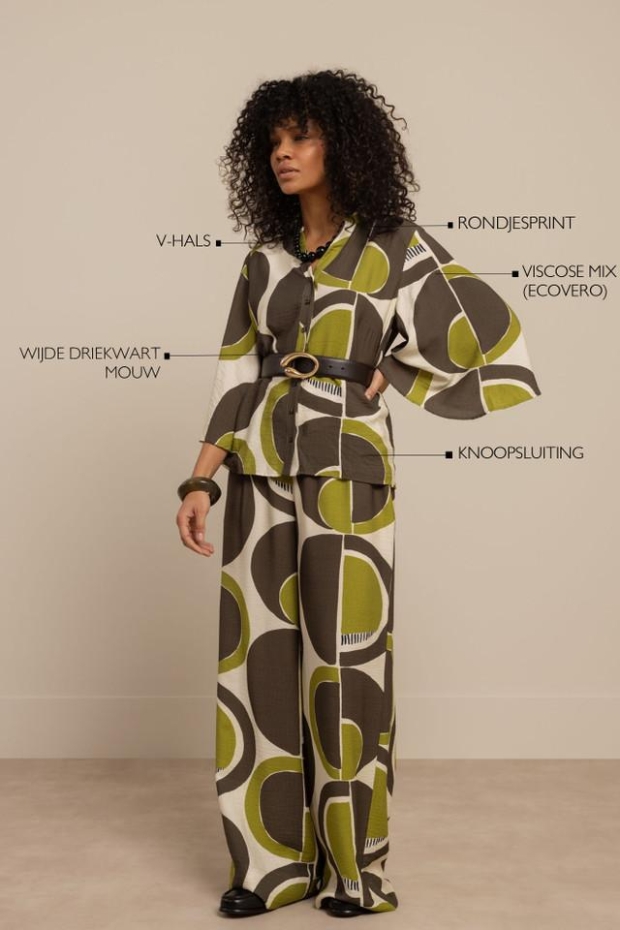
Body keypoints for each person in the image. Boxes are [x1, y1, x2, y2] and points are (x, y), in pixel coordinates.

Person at [176, 68, 541, 919]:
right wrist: (200, 478)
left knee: (346, 668)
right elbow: (235, 373)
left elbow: (491, 337)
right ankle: (270, 870)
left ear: (343, 144)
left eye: (301, 137)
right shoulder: (263, 262)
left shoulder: (396, 248)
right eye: (273, 142)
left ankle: (353, 874)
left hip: (351, 472)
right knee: (257, 667)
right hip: (260, 471)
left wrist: (400, 371)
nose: (284, 154)